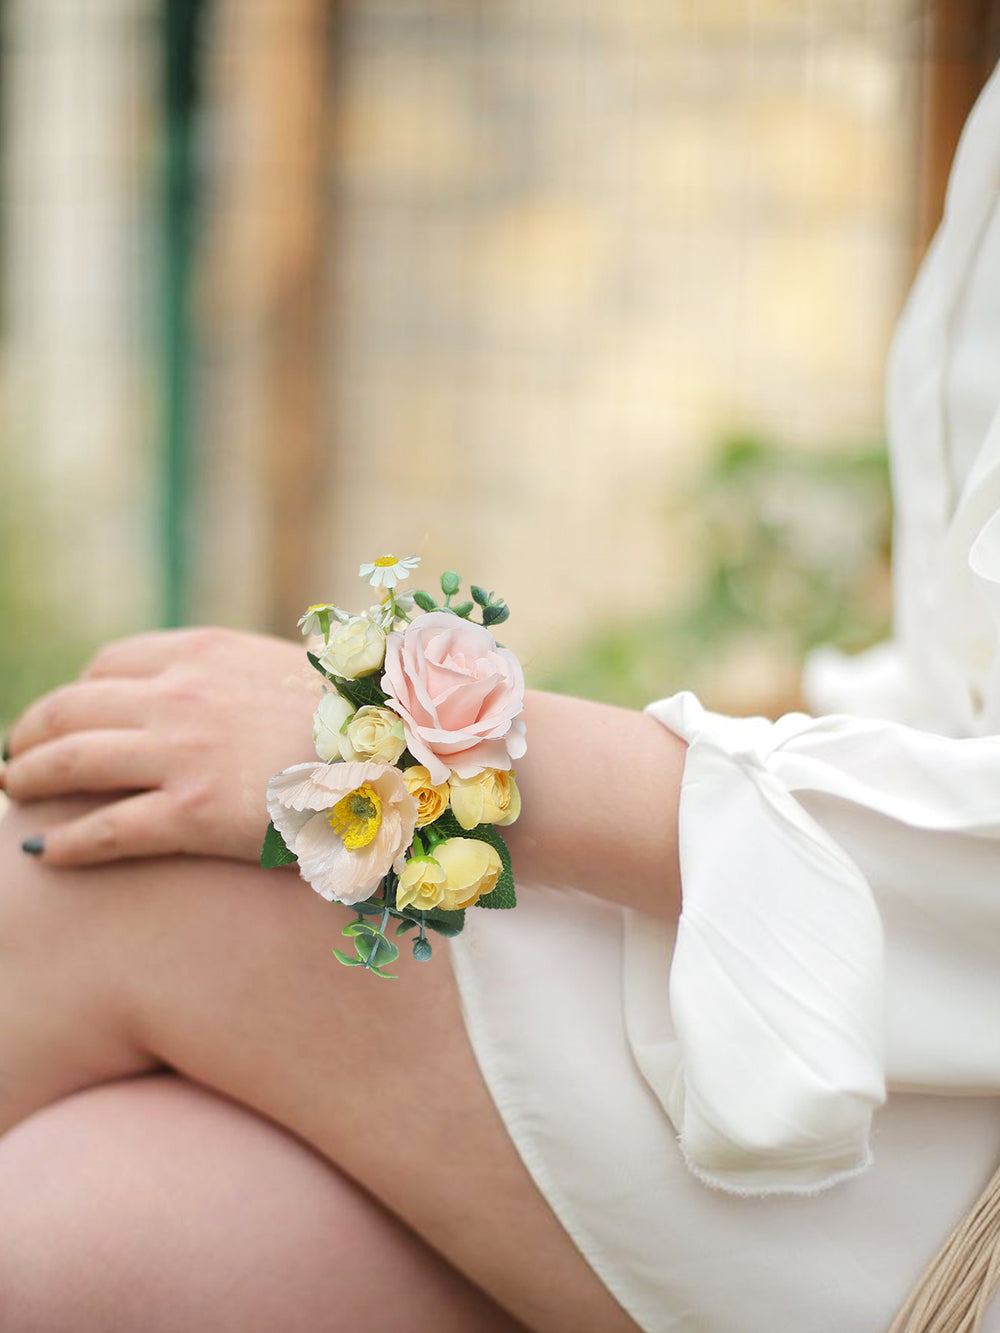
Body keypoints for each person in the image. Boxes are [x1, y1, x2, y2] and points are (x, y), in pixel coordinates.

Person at [2, 55, 1000, 1333]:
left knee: (105, 871)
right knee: (81, 1238)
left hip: (943, 1128)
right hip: (887, 975)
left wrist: (438, 759)